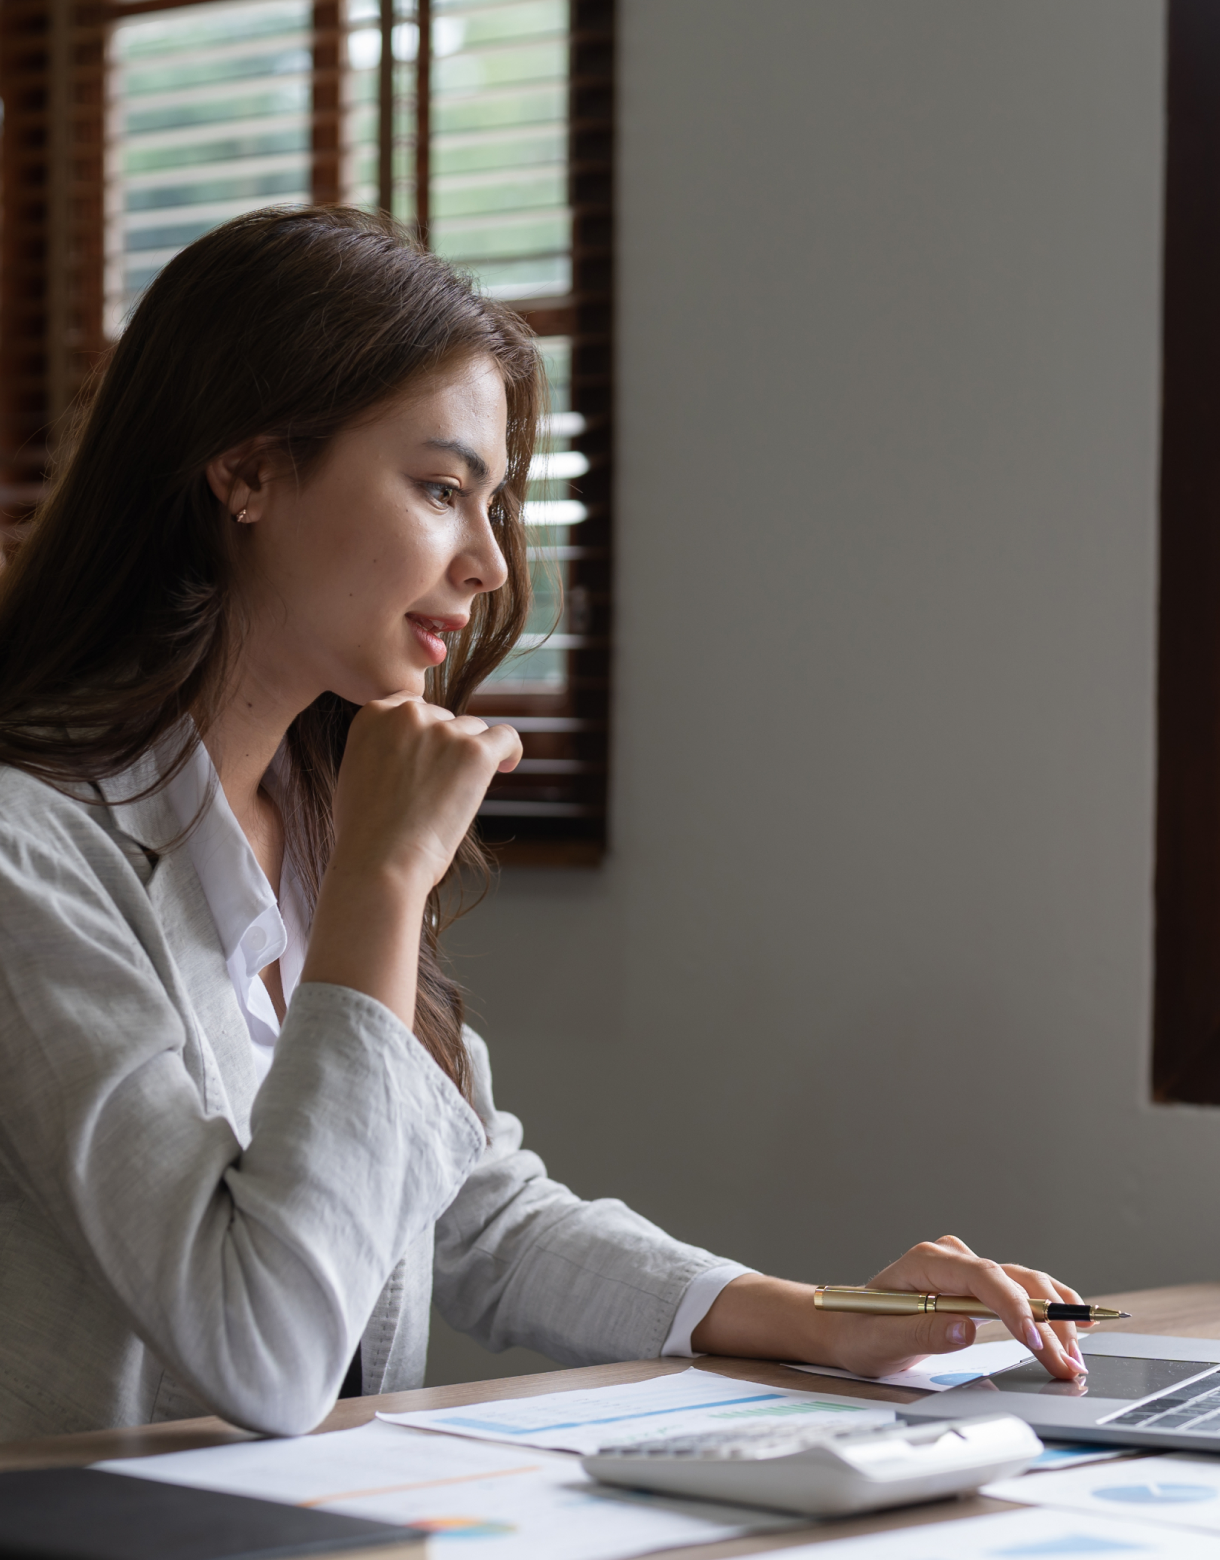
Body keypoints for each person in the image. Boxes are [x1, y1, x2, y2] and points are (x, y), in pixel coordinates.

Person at [0, 208, 1087, 1442]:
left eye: (494, 504)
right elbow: (265, 1351)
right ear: (245, 471)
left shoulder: (315, 821)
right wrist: (379, 882)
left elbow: (474, 1213)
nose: (488, 566)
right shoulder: (30, 858)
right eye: (439, 488)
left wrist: (818, 1315)